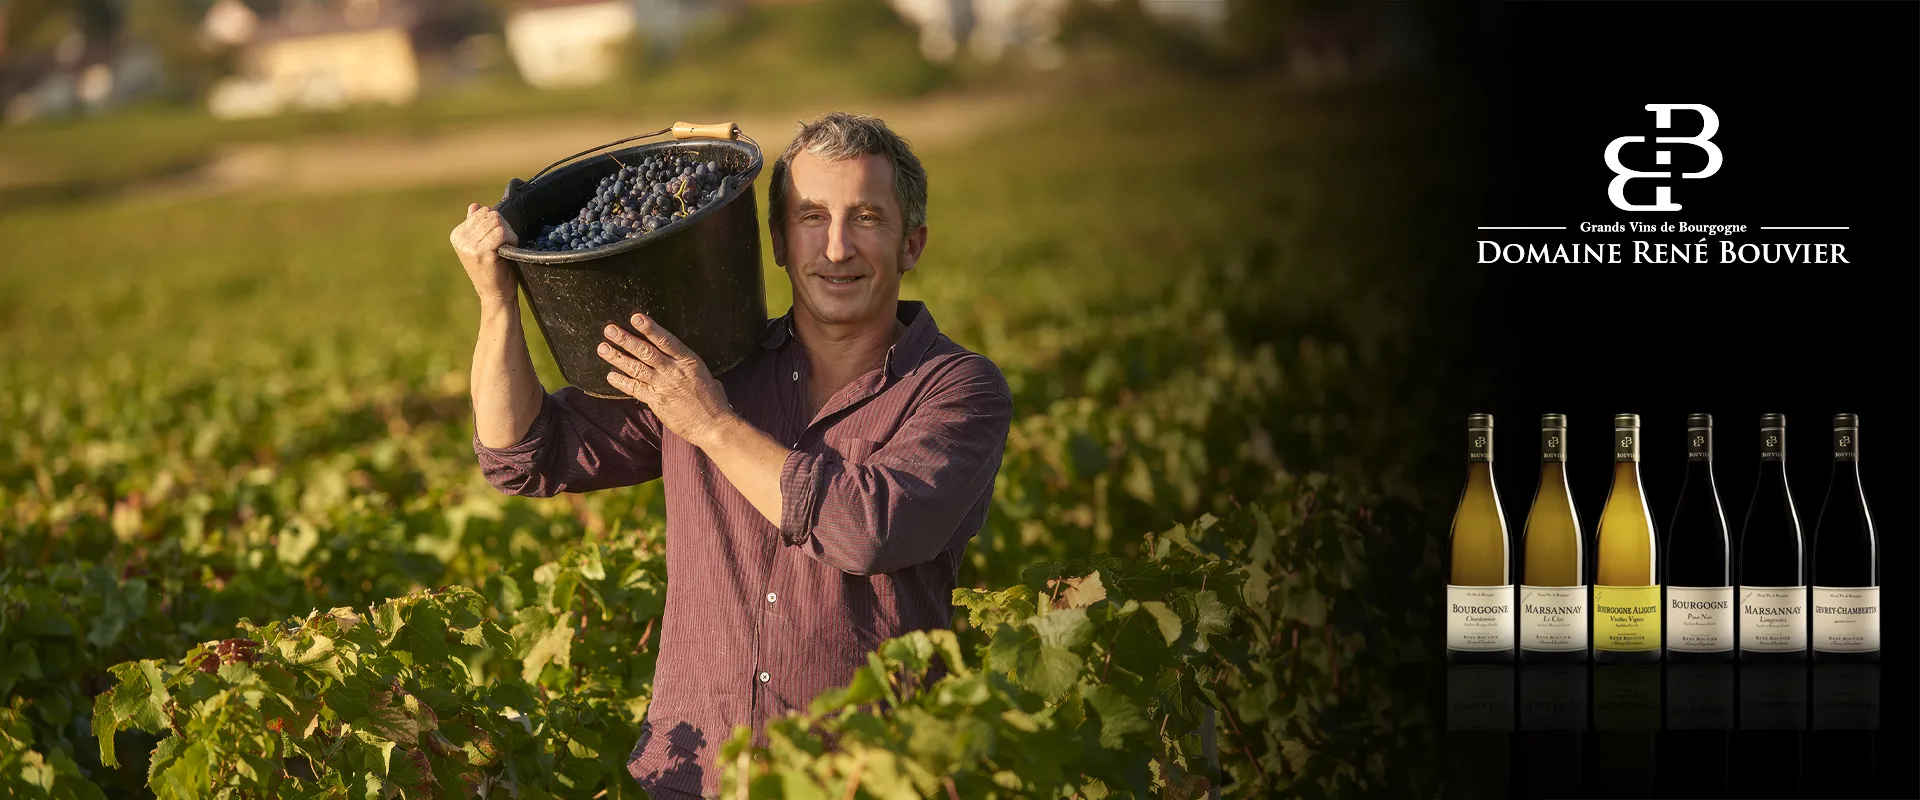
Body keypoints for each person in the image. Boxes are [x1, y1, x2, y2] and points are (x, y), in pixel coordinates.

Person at [448, 111, 1013, 800]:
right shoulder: (712, 366)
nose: (836, 248)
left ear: (911, 244)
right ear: (776, 240)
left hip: (866, 776)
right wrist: (497, 303)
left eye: (866, 217)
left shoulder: (957, 388)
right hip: (693, 773)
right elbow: (525, 455)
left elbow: (867, 530)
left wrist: (712, 424)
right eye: (811, 217)